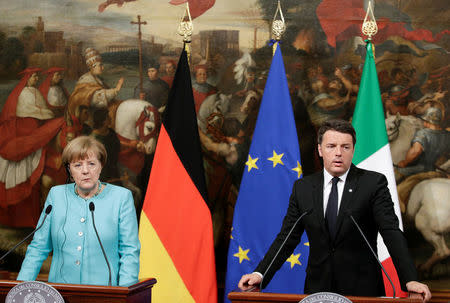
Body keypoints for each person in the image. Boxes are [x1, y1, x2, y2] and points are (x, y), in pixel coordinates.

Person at [238, 120, 431, 302]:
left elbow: (391, 232)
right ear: (320, 150)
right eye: (331, 146)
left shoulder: (373, 184)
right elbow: (287, 238)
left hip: (363, 291)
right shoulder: (303, 188)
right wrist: (260, 274)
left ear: (353, 150)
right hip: (317, 291)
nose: (338, 153)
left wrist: (410, 279)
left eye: (345, 147)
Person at [17, 136, 140, 286]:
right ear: (70, 169)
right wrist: (19, 290)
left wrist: (126, 295)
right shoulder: (56, 195)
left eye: (91, 164)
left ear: (101, 166)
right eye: (78, 165)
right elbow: (38, 248)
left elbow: (129, 251)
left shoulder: (121, 198)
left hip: (105, 294)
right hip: (59, 293)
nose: (85, 171)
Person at [0, 67, 64, 228]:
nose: (36, 79)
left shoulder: (34, 91)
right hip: (26, 132)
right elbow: (34, 112)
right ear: (27, 78)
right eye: (34, 77)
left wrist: (47, 115)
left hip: (35, 129)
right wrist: (48, 115)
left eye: (36, 77)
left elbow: (42, 111)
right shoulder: (24, 93)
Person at [67, 48, 123, 138]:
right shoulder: (86, 80)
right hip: (90, 121)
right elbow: (95, 99)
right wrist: (115, 90)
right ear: (92, 66)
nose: (103, 68)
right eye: (100, 65)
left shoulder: (98, 79)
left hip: (99, 116)